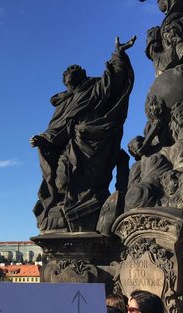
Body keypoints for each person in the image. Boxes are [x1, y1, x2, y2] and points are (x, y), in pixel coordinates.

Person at [31, 36, 136, 232]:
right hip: (70, 146)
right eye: (67, 73)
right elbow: (56, 128)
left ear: (82, 75)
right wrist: (43, 139)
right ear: (65, 82)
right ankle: (64, 204)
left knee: (87, 181)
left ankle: (83, 206)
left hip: (92, 143)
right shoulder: (63, 102)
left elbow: (113, 81)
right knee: (61, 179)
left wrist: (118, 54)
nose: (70, 73)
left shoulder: (93, 89)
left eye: (74, 71)